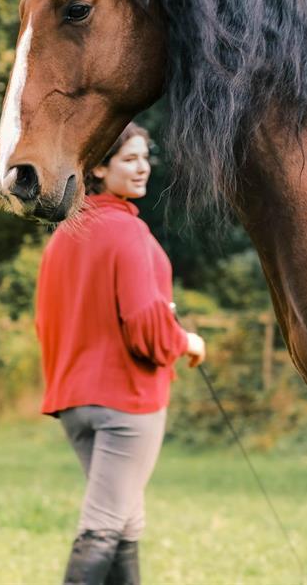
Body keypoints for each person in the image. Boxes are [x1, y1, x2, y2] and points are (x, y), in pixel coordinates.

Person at [34, 122, 206, 585]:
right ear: (97, 168)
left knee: (126, 520)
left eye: (145, 156)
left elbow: (47, 323)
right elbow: (146, 326)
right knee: (105, 523)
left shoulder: (63, 236)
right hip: (125, 404)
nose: (142, 166)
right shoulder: (128, 233)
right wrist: (186, 341)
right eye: (129, 159)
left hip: (73, 403)